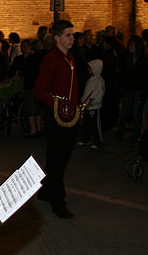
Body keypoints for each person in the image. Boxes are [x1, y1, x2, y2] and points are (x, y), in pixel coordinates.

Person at [34, 20, 79, 219]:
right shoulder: (51, 60)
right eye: (68, 35)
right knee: (57, 159)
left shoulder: (70, 58)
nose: (72, 39)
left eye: (73, 35)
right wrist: (58, 106)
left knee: (59, 157)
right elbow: (39, 89)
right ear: (57, 38)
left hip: (70, 117)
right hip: (56, 118)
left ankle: (45, 191)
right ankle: (58, 201)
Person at [77, 59, 105, 148]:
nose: (89, 70)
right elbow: (87, 91)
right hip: (87, 106)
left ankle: (98, 141)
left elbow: (100, 93)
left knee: (95, 124)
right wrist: (83, 100)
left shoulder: (99, 80)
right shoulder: (91, 79)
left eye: (91, 68)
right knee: (87, 123)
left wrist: (94, 101)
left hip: (94, 106)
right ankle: (86, 138)